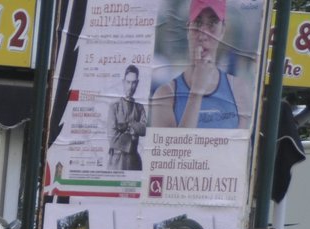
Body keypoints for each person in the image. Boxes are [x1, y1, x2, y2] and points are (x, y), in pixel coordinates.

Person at [149, 0, 252, 130]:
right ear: (188, 29)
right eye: (197, 23)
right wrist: (196, 93)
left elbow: (241, 148)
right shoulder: (165, 96)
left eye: (212, 23)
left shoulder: (238, 91)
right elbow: (173, 149)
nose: (203, 34)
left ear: (223, 30)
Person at [108, 65, 148, 170]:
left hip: (134, 162)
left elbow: (144, 129)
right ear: (123, 82)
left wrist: (128, 125)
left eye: (134, 83)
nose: (131, 87)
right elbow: (112, 138)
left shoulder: (139, 108)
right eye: (128, 82)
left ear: (137, 83)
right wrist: (133, 134)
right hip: (116, 162)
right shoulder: (114, 107)